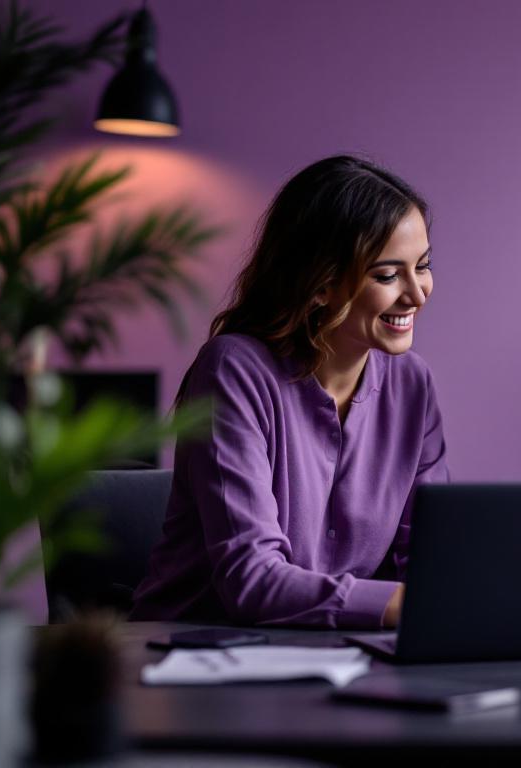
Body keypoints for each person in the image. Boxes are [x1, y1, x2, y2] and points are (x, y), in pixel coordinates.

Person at [131, 156, 447, 629]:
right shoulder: (234, 370)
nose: (417, 293)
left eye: (421, 266)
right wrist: (411, 604)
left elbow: (432, 559)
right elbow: (251, 579)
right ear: (320, 285)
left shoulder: (412, 385)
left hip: (326, 656)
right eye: (387, 275)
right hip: (189, 657)